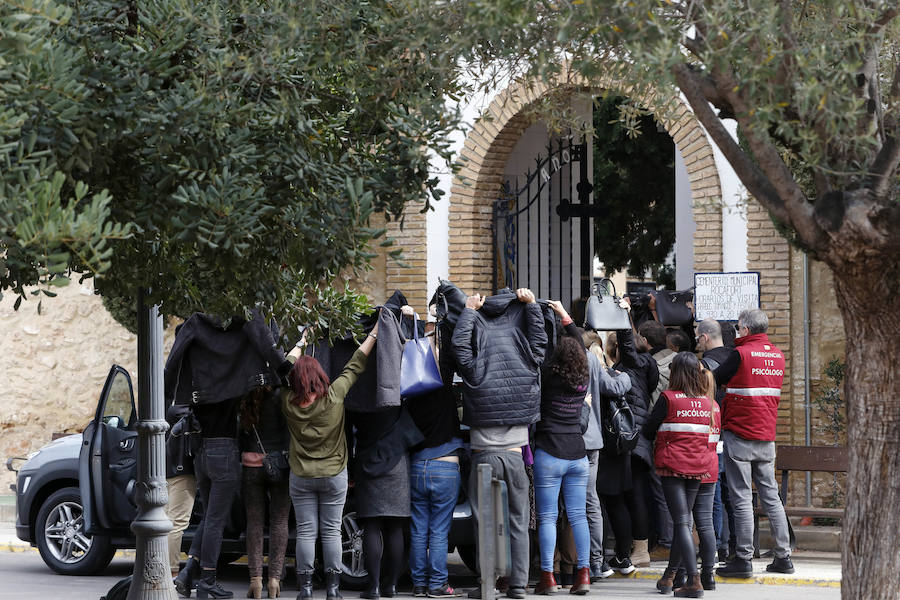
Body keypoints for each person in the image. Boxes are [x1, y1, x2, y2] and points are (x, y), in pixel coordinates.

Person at [452, 287, 547, 599]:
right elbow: (540, 344)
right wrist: (532, 307)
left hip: (484, 454)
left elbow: (458, 348)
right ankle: (518, 585)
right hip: (516, 454)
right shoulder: (526, 355)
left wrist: (468, 311)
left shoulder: (475, 357)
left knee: (486, 524)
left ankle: (488, 586)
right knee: (519, 522)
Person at [283, 321, 379, 600]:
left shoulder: (287, 402)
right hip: (334, 473)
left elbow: (284, 369)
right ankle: (334, 590)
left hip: (301, 475)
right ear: (320, 376)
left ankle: (306, 589)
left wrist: (302, 342)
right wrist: (373, 334)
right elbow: (356, 363)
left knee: (305, 532)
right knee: (331, 531)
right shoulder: (334, 396)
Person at [713, 309, 793, 578]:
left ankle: (744, 558)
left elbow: (717, 378)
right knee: (771, 496)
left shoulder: (740, 354)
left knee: (741, 497)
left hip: (739, 433)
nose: (737, 332)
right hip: (766, 435)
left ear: (745, 329)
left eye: (738, 328)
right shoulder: (778, 356)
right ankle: (784, 556)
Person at [642, 352, 716, 598]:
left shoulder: (668, 398)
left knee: (682, 523)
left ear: (675, 373)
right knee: (684, 523)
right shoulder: (707, 402)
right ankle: (669, 577)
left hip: (673, 467)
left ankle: (694, 580)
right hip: (697, 468)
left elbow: (649, 429)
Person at [532, 301, 592, 595]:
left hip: (549, 453)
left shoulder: (547, 375)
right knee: (578, 516)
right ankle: (583, 575)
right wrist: (565, 317)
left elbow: (540, 348)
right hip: (578, 456)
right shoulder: (584, 376)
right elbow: (579, 344)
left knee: (547, 518)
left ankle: (547, 577)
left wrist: (542, 315)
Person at [407, 312, 464, 598]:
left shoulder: (410, 391)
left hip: (417, 466)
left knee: (419, 527)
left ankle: (418, 584)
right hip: (445, 465)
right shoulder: (442, 382)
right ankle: (437, 584)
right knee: (439, 529)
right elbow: (450, 354)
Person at [604, 301, 660, 572]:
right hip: (637, 439)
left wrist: (623, 314)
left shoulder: (632, 364)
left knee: (631, 495)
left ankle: (636, 551)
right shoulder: (644, 369)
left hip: (630, 439)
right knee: (634, 494)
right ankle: (637, 550)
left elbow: (626, 343)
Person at [580, 329, 632, 580]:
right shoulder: (594, 366)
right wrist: (624, 376)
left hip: (568, 442)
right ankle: (596, 562)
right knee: (592, 504)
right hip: (595, 441)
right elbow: (617, 385)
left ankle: (569, 564)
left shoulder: (561, 363)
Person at [239, 387, 291, 599]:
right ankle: (274, 581)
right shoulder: (281, 395)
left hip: (251, 466)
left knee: (254, 523)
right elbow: (289, 431)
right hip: (278, 464)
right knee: (280, 521)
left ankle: (255, 581)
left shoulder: (247, 394)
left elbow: (240, 433)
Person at [695, 318, 735, 563]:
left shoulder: (703, 365)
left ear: (704, 337)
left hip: (712, 433)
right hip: (736, 431)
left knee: (714, 493)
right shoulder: (736, 358)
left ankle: (717, 547)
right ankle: (734, 546)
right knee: (734, 494)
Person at [637, 319, 675, 560]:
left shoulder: (654, 365)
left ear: (644, 341)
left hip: (660, 433)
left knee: (659, 490)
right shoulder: (680, 358)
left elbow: (652, 404)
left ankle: (667, 542)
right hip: (683, 433)